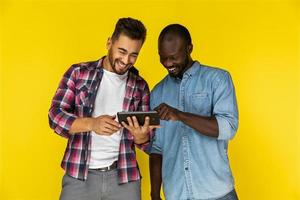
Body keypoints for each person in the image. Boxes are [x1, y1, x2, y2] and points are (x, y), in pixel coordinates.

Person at [48, 17, 155, 200]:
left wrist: (141, 136)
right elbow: (55, 116)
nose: (126, 60)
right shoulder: (78, 73)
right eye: (122, 51)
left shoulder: (140, 86)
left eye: (133, 55)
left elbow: (147, 143)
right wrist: (92, 124)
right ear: (109, 43)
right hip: (79, 176)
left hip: (124, 176)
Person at [149, 24, 239, 200]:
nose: (168, 64)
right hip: (177, 194)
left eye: (173, 57)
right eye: (163, 58)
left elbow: (228, 128)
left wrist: (180, 115)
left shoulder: (217, 79)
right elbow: (157, 148)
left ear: (189, 48)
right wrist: (154, 194)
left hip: (217, 194)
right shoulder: (158, 92)